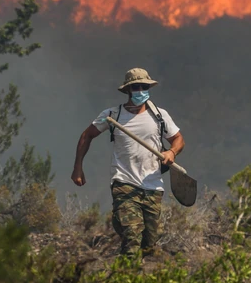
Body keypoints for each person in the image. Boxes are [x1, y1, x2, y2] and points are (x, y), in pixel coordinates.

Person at [71, 68, 185, 257]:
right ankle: (125, 275)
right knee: (132, 236)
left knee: (148, 244)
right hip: (124, 182)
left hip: (153, 185)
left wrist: (172, 152)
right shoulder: (112, 115)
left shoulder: (160, 116)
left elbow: (178, 139)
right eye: (135, 87)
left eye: (143, 86)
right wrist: (78, 168)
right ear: (128, 90)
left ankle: (139, 276)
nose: (140, 90)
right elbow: (87, 135)